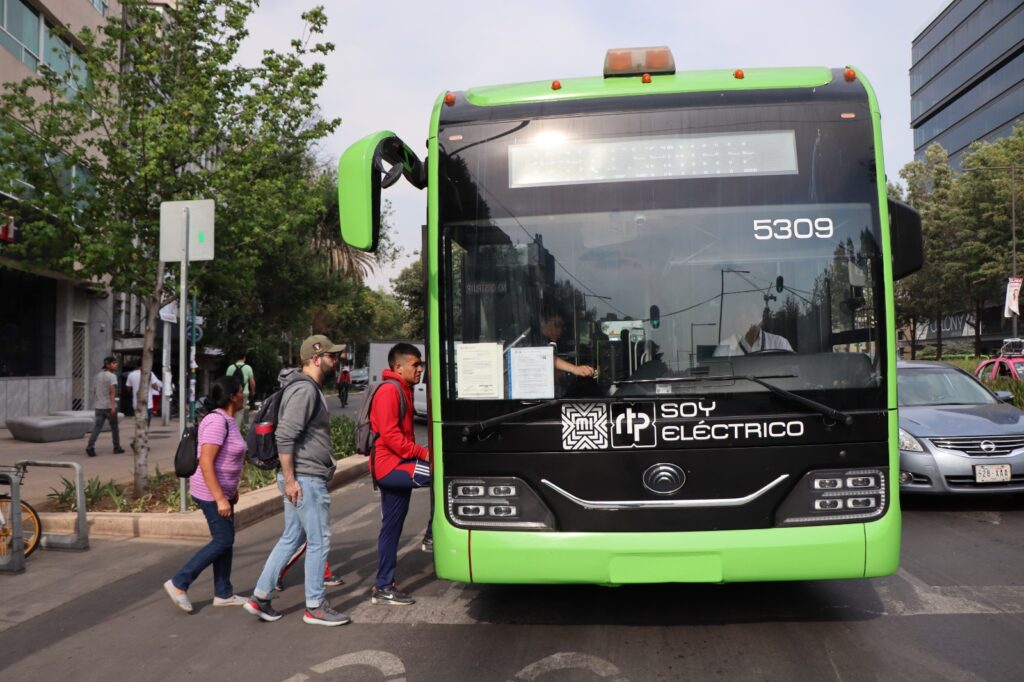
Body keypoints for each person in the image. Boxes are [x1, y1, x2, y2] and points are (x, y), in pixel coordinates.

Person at [244, 334, 350, 626]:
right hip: (305, 479)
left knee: (293, 536)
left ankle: (260, 597)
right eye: (331, 356)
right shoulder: (304, 390)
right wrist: (291, 481)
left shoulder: (305, 388)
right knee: (319, 540)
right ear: (316, 358)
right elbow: (285, 435)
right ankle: (315, 606)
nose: (335, 360)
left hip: (301, 476)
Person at [163, 375, 248, 613]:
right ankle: (179, 582)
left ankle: (223, 593)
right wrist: (220, 497)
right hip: (210, 493)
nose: (244, 395)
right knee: (223, 540)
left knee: (226, 541)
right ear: (232, 396)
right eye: (241, 391)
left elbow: (229, 458)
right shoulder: (216, 422)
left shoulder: (229, 420)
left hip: (223, 491)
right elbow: (206, 463)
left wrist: (231, 491)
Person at [370, 343, 432, 606]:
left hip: (399, 463)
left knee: (391, 529)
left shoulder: (403, 389)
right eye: (415, 364)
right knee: (443, 474)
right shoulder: (389, 391)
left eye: (421, 364)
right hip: (392, 466)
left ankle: (383, 586)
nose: (420, 369)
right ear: (398, 367)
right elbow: (391, 436)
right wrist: (423, 453)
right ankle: (432, 537)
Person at [713, 297, 794, 356]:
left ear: (761, 318)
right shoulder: (724, 348)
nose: (744, 318)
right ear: (735, 320)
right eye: (740, 314)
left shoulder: (780, 344)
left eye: (750, 313)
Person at [539, 307, 595, 378]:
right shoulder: (533, 340)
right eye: (557, 325)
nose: (560, 330)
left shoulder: (555, 343)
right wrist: (574, 369)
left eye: (562, 327)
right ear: (543, 323)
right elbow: (546, 358)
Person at [85, 356, 124, 457]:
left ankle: (90, 446)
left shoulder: (97, 375)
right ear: (108, 365)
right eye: (114, 363)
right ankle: (117, 447)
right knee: (114, 428)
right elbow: (112, 392)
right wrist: (113, 406)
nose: (116, 365)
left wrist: (98, 401)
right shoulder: (112, 376)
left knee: (97, 428)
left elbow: (94, 390)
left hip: (98, 406)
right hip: (108, 406)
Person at [226, 352, 256, 428]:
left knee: (233, 411)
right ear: (244, 358)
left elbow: (226, 381)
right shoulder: (248, 368)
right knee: (241, 412)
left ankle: (234, 428)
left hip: (232, 393)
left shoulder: (230, 367)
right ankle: (238, 430)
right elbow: (252, 382)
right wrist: (253, 391)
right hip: (244, 393)